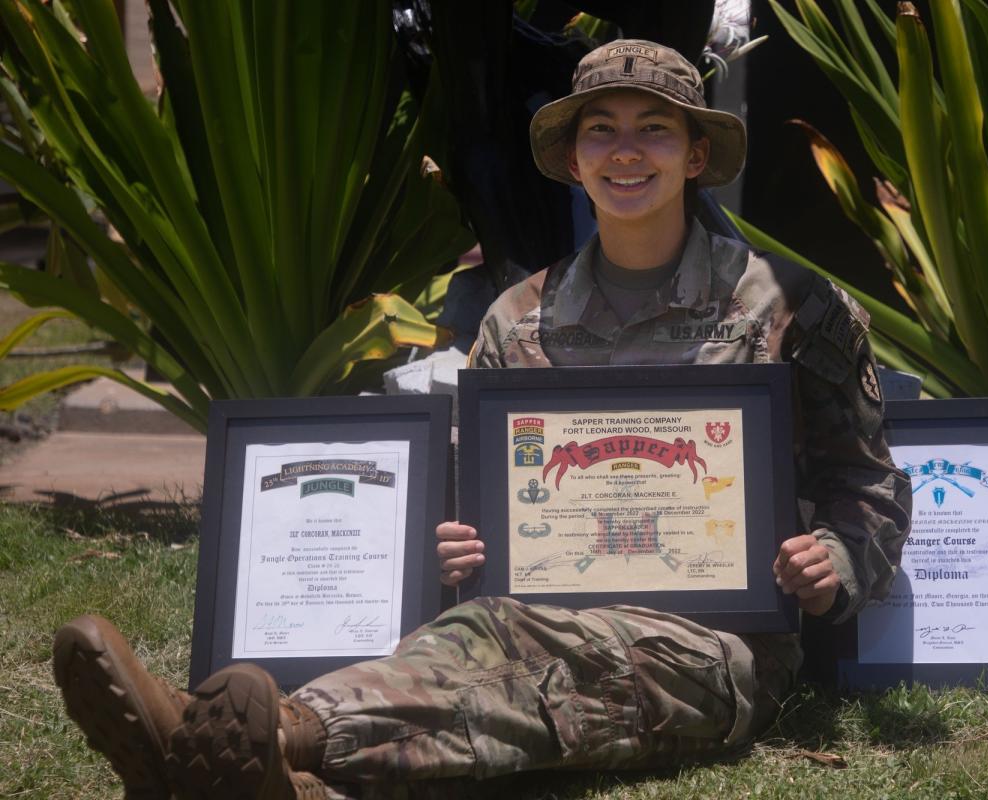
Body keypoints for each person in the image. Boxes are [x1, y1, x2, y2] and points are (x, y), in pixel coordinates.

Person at [52, 40, 910, 800]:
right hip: (528, 610)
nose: (625, 152)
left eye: (653, 128)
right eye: (599, 130)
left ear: (695, 154)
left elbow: (867, 485)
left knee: (549, 660)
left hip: (717, 644)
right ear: (573, 161)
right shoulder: (515, 320)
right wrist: (459, 545)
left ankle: (260, 732)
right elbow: (485, 503)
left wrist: (833, 558)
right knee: (474, 636)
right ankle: (282, 770)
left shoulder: (794, 305)